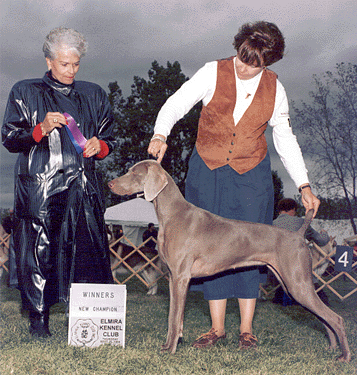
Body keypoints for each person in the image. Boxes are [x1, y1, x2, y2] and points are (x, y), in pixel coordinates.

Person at [147, 21, 320, 349]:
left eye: (252, 64)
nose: (242, 66)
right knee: (209, 248)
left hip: (251, 176)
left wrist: (304, 185)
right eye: (241, 57)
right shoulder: (213, 71)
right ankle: (216, 328)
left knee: (252, 247)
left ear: (267, 63)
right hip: (207, 172)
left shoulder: (275, 89)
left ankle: (246, 329)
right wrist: (160, 132)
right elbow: (177, 102)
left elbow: (284, 138)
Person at [1, 27, 117, 338]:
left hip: (84, 183)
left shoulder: (94, 94)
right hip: (40, 185)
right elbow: (10, 138)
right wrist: (39, 129)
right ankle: (39, 321)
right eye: (64, 64)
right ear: (50, 61)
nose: (71, 70)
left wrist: (99, 146)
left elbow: (109, 138)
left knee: (89, 247)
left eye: (76, 64)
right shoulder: (24, 91)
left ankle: (91, 322)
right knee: (40, 249)